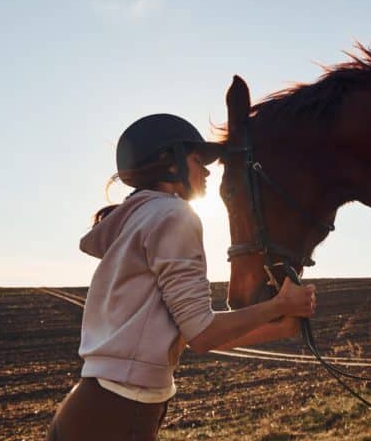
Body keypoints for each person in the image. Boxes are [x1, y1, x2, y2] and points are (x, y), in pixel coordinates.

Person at [46, 113, 316, 441]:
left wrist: (281, 326)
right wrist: (280, 304)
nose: (205, 170)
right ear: (168, 162)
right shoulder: (173, 215)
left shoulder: (139, 218)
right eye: (197, 159)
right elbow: (202, 334)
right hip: (119, 413)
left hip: (96, 406)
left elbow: (187, 336)